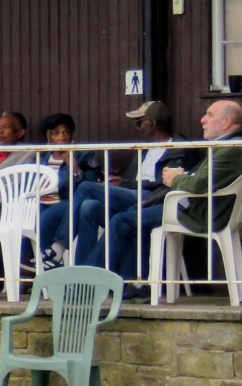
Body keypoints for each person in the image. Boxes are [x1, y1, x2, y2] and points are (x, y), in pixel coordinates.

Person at [83, 100, 242, 301]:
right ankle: (107, 282)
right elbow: (201, 180)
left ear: (226, 121)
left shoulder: (232, 148)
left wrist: (175, 178)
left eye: (209, 115)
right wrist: (182, 177)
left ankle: (89, 283)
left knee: (122, 221)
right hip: (193, 207)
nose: (202, 120)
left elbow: (200, 184)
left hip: (196, 213)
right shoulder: (227, 145)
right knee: (123, 216)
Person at [46, 100, 197, 270]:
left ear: (152, 123)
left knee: (86, 187)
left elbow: (168, 183)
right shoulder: (145, 149)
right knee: (89, 206)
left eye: (140, 122)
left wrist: (133, 185)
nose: (137, 127)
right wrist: (121, 183)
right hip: (133, 195)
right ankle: (82, 275)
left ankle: (58, 247)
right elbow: (134, 181)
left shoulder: (177, 148)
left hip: (152, 200)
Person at [26, 112, 105, 273]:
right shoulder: (40, 157)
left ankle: (51, 258)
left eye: (66, 132)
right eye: (56, 133)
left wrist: (73, 167)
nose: (61, 137)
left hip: (65, 203)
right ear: (48, 137)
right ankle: (34, 268)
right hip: (38, 202)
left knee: (44, 220)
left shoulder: (84, 155)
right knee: (25, 222)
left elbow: (86, 189)